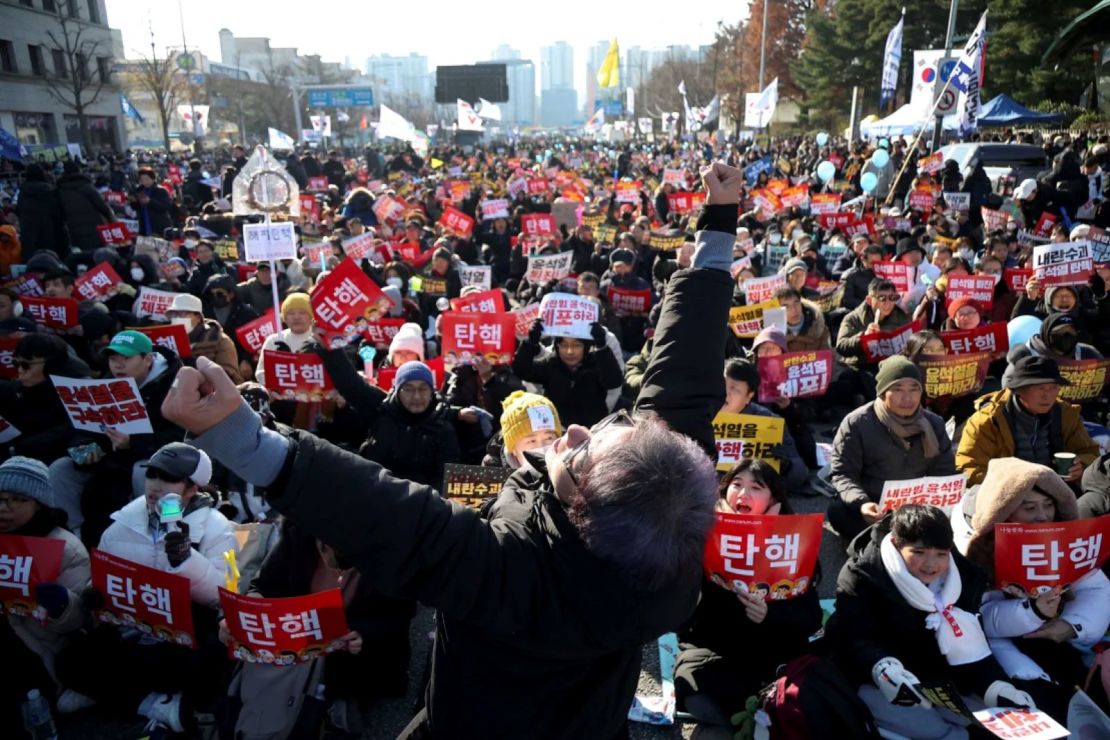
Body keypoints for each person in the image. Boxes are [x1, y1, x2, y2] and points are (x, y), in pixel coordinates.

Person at [160, 161, 742, 740]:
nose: (575, 431)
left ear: (579, 506)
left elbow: (380, 511)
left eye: (582, 452)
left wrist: (240, 437)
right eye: (612, 426)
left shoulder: (508, 567)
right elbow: (685, 378)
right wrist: (718, 226)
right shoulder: (669, 542)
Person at [55, 443, 236, 734]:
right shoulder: (122, 522)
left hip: (181, 638)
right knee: (70, 661)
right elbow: (104, 575)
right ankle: (151, 702)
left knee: (209, 658)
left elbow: (222, 595)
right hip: (132, 632)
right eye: (152, 475)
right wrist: (93, 592)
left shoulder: (216, 527)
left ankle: (112, 693)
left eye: (168, 479)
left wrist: (185, 559)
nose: (155, 486)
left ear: (192, 487)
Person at [825, 505, 1034, 740]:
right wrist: (883, 668)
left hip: (939, 678)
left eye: (941, 554)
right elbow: (855, 638)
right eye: (919, 552)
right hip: (877, 678)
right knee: (937, 733)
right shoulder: (862, 575)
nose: (931, 564)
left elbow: (971, 645)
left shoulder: (963, 577)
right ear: (896, 544)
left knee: (997, 720)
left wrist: (998, 687)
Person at [222, 517, 416, 735]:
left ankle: (335, 708)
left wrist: (363, 634)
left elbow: (400, 616)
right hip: (293, 648)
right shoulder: (297, 535)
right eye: (324, 547)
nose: (330, 561)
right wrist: (244, 618)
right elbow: (262, 586)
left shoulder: (391, 553)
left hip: (355, 656)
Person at [951, 457, 1110, 721]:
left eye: (1048, 505)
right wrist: (1032, 611)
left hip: (1064, 642)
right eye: (1029, 508)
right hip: (1005, 649)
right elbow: (980, 618)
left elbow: (1097, 589)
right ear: (1004, 510)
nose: (1042, 516)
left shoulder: (1066, 541)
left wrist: (1073, 626)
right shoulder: (976, 551)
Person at [674, 460, 822, 727]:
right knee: (697, 690)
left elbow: (810, 618)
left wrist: (770, 614)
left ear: (773, 499)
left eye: (756, 488)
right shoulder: (701, 533)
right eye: (737, 485)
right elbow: (684, 623)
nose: (743, 495)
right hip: (717, 650)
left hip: (775, 651)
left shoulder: (791, 541)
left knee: (812, 687)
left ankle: (771, 709)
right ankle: (767, 711)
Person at [47, 330, 184, 542]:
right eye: (112, 359)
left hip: (154, 459)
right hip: (110, 460)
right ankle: (71, 535)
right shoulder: (106, 382)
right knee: (61, 469)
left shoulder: (174, 383)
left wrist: (134, 443)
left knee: (143, 472)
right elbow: (84, 428)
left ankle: (157, 534)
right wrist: (85, 445)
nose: (117, 365)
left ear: (147, 359)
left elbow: (182, 436)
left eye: (126, 358)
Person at [0, 457, 92, 731]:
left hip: (39, 650)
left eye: (17, 500)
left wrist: (61, 604)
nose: (5, 508)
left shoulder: (64, 547)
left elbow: (81, 623)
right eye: (0, 498)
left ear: (39, 504)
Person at [828, 356, 955, 542]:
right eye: (897, 389)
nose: (907, 398)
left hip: (918, 507)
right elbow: (843, 473)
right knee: (839, 511)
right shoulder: (857, 422)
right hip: (875, 504)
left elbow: (944, 472)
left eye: (914, 389)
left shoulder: (933, 423)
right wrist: (862, 504)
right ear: (882, 392)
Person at [315, 354, 462, 489]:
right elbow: (352, 385)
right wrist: (330, 349)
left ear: (432, 392)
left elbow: (444, 482)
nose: (417, 397)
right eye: (408, 389)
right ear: (397, 391)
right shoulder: (381, 410)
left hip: (421, 508)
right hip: (375, 497)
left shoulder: (443, 426)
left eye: (423, 389)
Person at [956, 355, 1098, 486]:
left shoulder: (1066, 414)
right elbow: (969, 467)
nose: (1047, 395)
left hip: (1060, 489)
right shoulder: (987, 420)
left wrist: (1081, 465)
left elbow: (1090, 453)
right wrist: (1009, 486)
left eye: (1054, 388)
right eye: (1040, 388)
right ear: (1018, 390)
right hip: (1006, 494)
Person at [513, 319, 624, 428]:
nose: (570, 351)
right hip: (557, 432)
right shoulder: (551, 364)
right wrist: (531, 342)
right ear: (557, 346)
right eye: (564, 345)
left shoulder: (597, 364)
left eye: (576, 345)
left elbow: (614, 381)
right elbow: (521, 370)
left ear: (586, 347)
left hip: (593, 433)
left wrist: (602, 347)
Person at [0, 333, 91, 464]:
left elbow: (77, 438)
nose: (20, 370)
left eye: (26, 365)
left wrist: (17, 448)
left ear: (51, 366)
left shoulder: (77, 398)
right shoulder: (13, 390)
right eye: (15, 363)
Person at [721, 356, 809, 491]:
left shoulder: (768, 422)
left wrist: (786, 467)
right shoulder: (698, 413)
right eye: (722, 386)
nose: (726, 394)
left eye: (735, 389)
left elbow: (800, 472)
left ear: (749, 396)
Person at [836, 278, 912, 372]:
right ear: (868, 300)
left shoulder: (902, 316)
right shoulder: (853, 318)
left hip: (892, 367)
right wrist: (863, 337)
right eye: (882, 298)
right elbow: (841, 347)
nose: (887, 303)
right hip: (861, 367)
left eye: (892, 298)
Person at [165, 293, 242, 382]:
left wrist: (197, 366)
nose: (177, 318)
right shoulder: (167, 341)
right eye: (174, 315)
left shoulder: (220, 340)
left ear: (198, 317)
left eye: (182, 314)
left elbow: (231, 376)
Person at [488, 390, 563, 468]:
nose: (542, 447)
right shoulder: (492, 474)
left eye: (549, 438)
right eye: (531, 441)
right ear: (513, 449)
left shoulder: (572, 470)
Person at [56, 160, 114, 252]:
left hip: (74, 231)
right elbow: (101, 205)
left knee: (84, 256)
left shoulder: (60, 190)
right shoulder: (86, 185)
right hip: (95, 228)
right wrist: (111, 219)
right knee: (99, 255)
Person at [15, 165, 68, 257]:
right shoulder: (50, 190)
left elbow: (19, 210)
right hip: (50, 230)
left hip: (29, 231)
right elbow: (58, 212)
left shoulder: (23, 191)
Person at [131, 167, 175, 238]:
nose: (145, 182)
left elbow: (167, 206)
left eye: (147, 179)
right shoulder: (138, 190)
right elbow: (134, 207)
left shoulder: (161, 190)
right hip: (143, 224)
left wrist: (150, 201)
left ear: (153, 178)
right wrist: (134, 201)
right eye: (142, 180)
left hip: (159, 225)